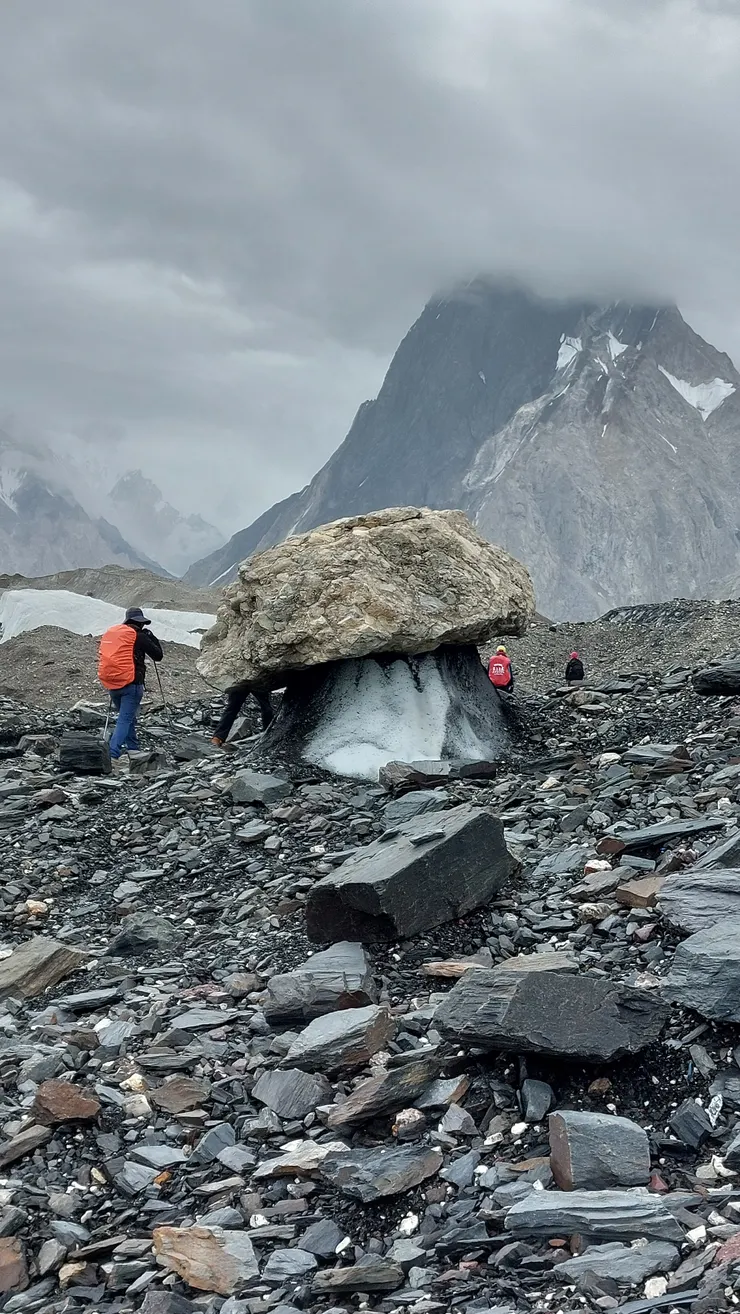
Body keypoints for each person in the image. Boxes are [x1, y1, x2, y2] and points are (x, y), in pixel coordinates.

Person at [98, 607, 163, 759]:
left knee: (127, 717)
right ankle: (112, 754)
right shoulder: (140, 636)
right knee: (125, 718)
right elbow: (158, 655)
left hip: (113, 684)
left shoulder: (117, 636)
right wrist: (151, 637)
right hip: (132, 685)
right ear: (140, 623)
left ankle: (133, 747)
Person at [212, 679, 274, 746]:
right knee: (232, 708)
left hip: (250, 679)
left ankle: (268, 732)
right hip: (248, 679)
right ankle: (218, 737)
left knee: (266, 707)